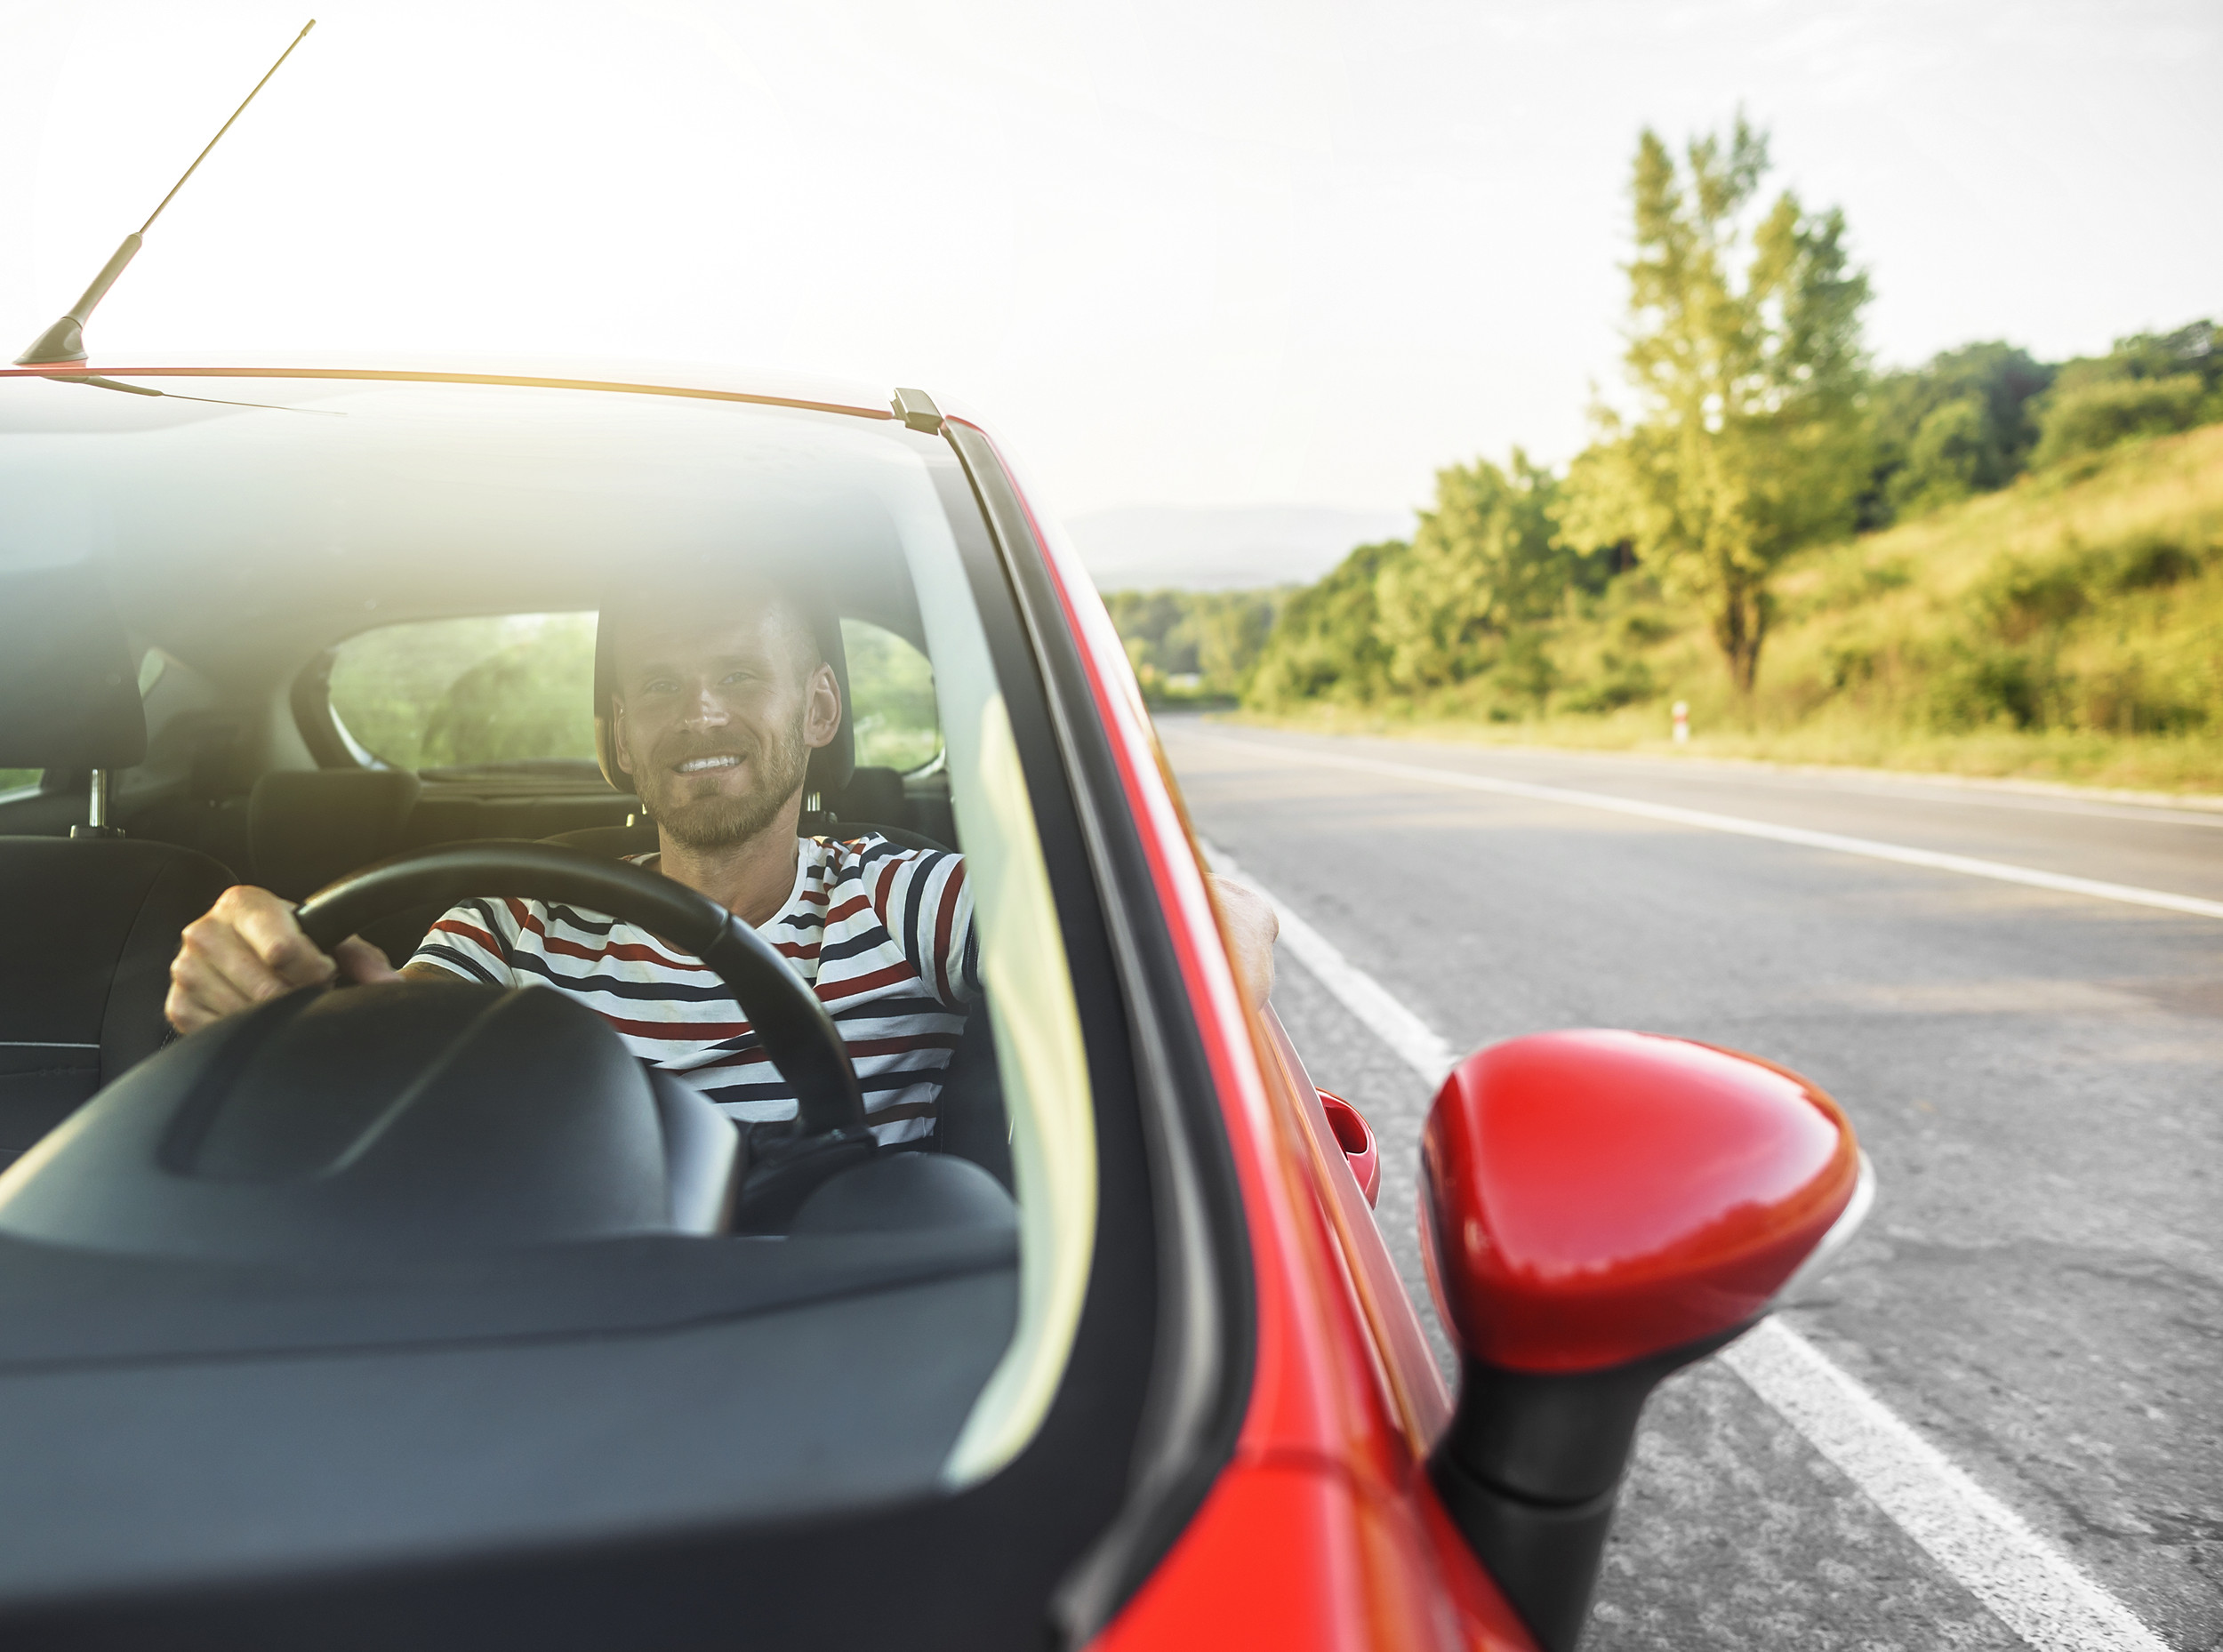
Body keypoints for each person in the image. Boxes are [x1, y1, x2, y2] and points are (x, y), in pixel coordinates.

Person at [165, 576, 1279, 1144]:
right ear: (618, 738)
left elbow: (1191, 931)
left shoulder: (899, 897)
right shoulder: (513, 922)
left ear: (819, 709)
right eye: (658, 687)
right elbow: (389, 1044)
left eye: (741, 676)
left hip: (840, 1341)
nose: (699, 712)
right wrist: (274, 993)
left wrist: (1202, 926)